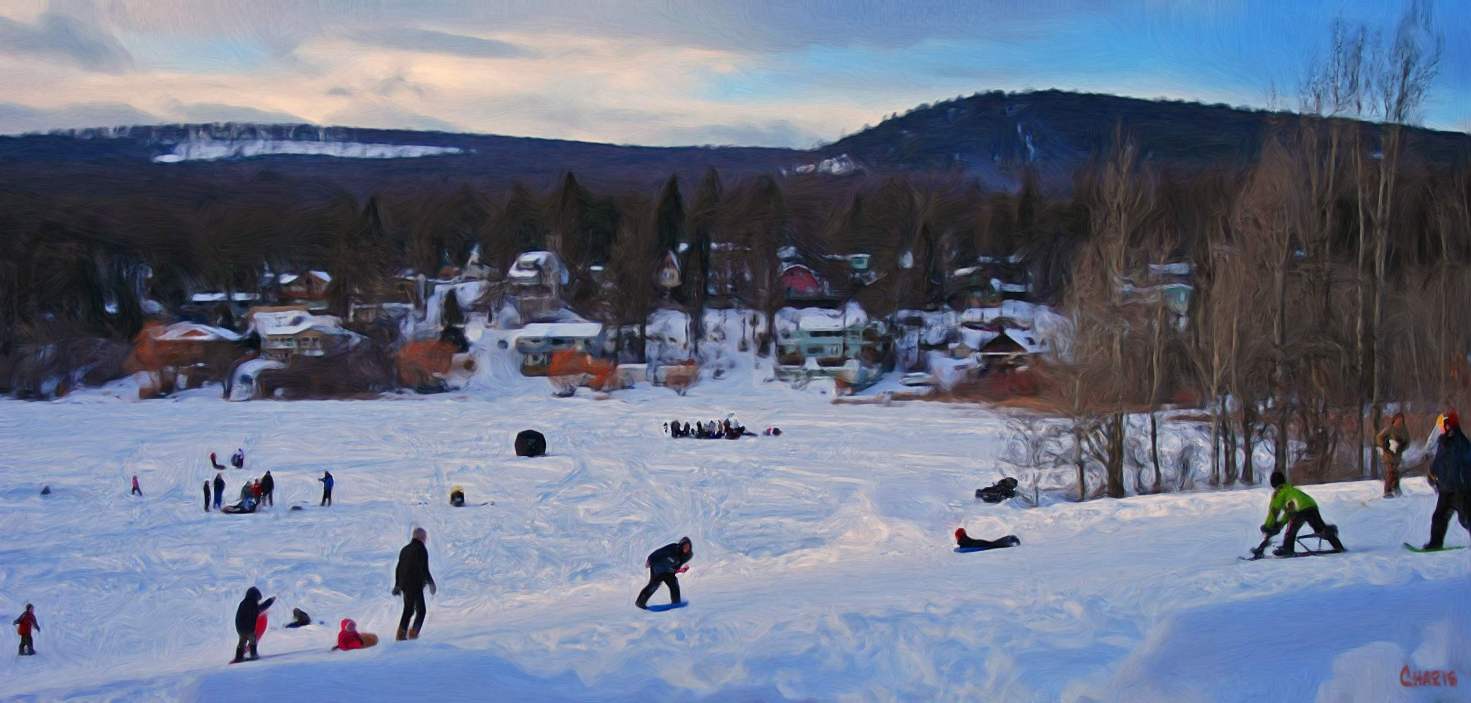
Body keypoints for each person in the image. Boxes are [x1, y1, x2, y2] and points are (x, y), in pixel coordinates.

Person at [1261, 472, 1346, 556]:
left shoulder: (1279, 492)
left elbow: (1274, 511)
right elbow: (1289, 512)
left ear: (1273, 483)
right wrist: (1280, 524)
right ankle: (1337, 544)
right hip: (1311, 505)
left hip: (1299, 508)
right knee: (1320, 529)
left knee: (1291, 531)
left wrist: (1268, 526)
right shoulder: (1291, 489)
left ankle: (1287, 548)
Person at [1423, 411, 1471, 550]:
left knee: (1466, 518)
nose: (1440, 428)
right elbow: (1439, 461)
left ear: (1449, 425)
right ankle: (1435, 543)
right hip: (1445, 490)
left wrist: (1465, 483)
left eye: (1442, 425)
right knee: (1439, 517)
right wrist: (1432, 472)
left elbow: (1466, 464)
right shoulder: (1443, 442)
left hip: (1460, 490)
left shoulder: (1461, 443)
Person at [393, 527, 436, 641]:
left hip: (405, 585)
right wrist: (431, 583)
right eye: (425, 537)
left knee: (408, 610)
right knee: (421, 611)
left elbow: (398, 568)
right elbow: (424, 568)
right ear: (421, 537)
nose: (425, 539)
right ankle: (413, 634)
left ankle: (401, 634)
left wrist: (397, 585)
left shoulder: (405, 549)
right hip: (415, 584)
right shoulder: (421, 549)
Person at [635, 536, 692, 609]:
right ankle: (640, 602)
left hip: (668, 571)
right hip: (657, 568)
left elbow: (677, 566)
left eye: (688, 547)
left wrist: (681, 570)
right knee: (654, 585)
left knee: (674, 583)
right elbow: (659, 552)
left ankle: (676, 602)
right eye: (684, 546)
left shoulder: (688, 556)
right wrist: (650, 560)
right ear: (681, 545)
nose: (686, 548)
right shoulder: (673, 548)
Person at [231, 587, 274, 663]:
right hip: (248, 628)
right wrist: (270, 601)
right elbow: (260, 608)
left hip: (240, 628)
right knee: (252, 640)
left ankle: (239, 656)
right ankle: (253, 655)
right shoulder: (252, 603)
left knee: (242, 642)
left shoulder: (243, 603)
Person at [1376, 413, 1410, 498]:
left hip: (1397, 455)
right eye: (1398, 420)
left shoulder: (1404, 431)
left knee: (1395, 472)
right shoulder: (1390, 429)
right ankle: (1387, 491)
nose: (1399, 422)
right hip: (1388, 454)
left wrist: (1402, 446)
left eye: (1401, 420)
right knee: (1390, 472)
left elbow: (1408, 442)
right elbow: (1379, 437)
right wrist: (1385, 444)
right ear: (1394, 420)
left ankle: (1396, 488)